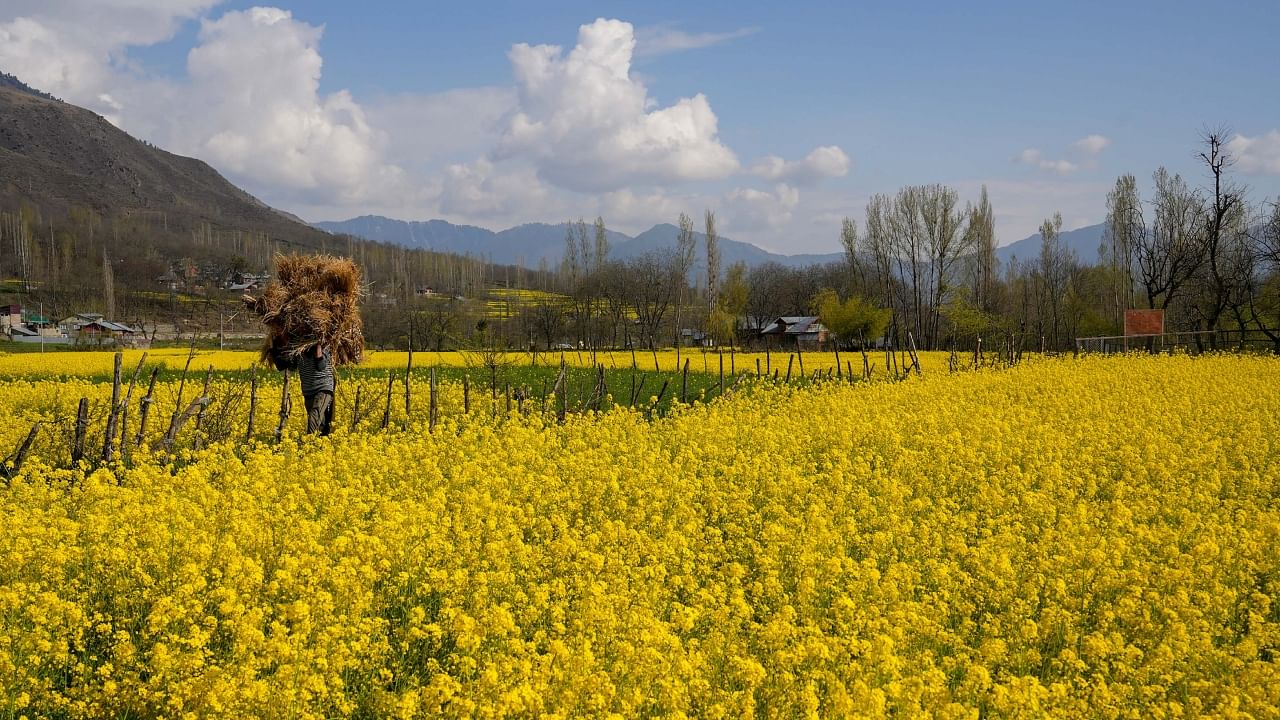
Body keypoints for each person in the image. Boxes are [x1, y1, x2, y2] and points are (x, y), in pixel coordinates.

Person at [297, 342, 335, 435]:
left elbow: (321, 366)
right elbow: (285, 365)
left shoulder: (324, 348)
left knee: (315, 414)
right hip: (308, 390)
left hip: (322, 387)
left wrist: (318, 348)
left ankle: (309, 442)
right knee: (320, 421)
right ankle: (322, 444)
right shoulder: (298, 350)